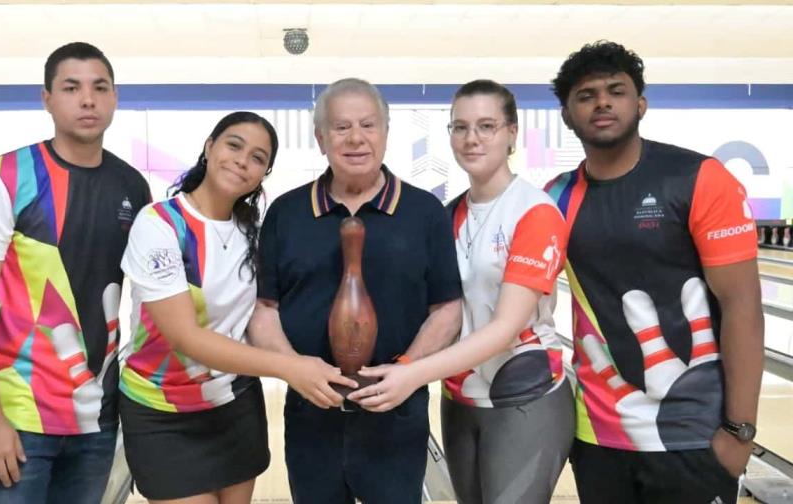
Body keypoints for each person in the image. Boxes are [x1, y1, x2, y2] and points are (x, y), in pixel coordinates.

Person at [545, 40, 764, 503]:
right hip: (600, 436)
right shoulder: (557, 196)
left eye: (616, 90)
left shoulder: (700, 178)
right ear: (566, 114)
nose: (602, 102)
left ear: (640, 103)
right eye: (586, 95)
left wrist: (739, 432)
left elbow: (743, 305)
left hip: (694, 435)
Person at [349, 79, 574, 503]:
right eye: (460, 127)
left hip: (524, 397)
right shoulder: (448, 214)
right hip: (459, 397)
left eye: (487, 126)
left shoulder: (534, 211)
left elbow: (505, 328)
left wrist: (411, 374)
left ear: (512, 133)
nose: (472, 139)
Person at [0, 42, 152, 503]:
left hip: (97, 414)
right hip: (19, 413)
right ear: (47, 99)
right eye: (71, 87)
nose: (87, 99)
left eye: (100, 87)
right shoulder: (4, 176)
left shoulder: (132, 186)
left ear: (114, 97)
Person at [119, 111, 356, 504]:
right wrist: (291, 368)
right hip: (161, 410)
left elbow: (259, 316)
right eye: (234, 145)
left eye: (258, 157)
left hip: (234, 405)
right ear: (209, 147)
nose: (243, 160)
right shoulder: (159, 224)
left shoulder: (251, 232)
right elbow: (185, 337)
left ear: (263, 174)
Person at [250, 77, 463, 504]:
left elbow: (447, 308)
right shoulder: (286, 212)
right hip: (311, 415)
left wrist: (407, 369)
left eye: (368, 125)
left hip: (398, 414)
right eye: (341, 127)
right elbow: (265, 309)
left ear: (386, 132)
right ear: (320, 138)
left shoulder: (424, 212)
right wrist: (294, 368)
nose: (356, 138)